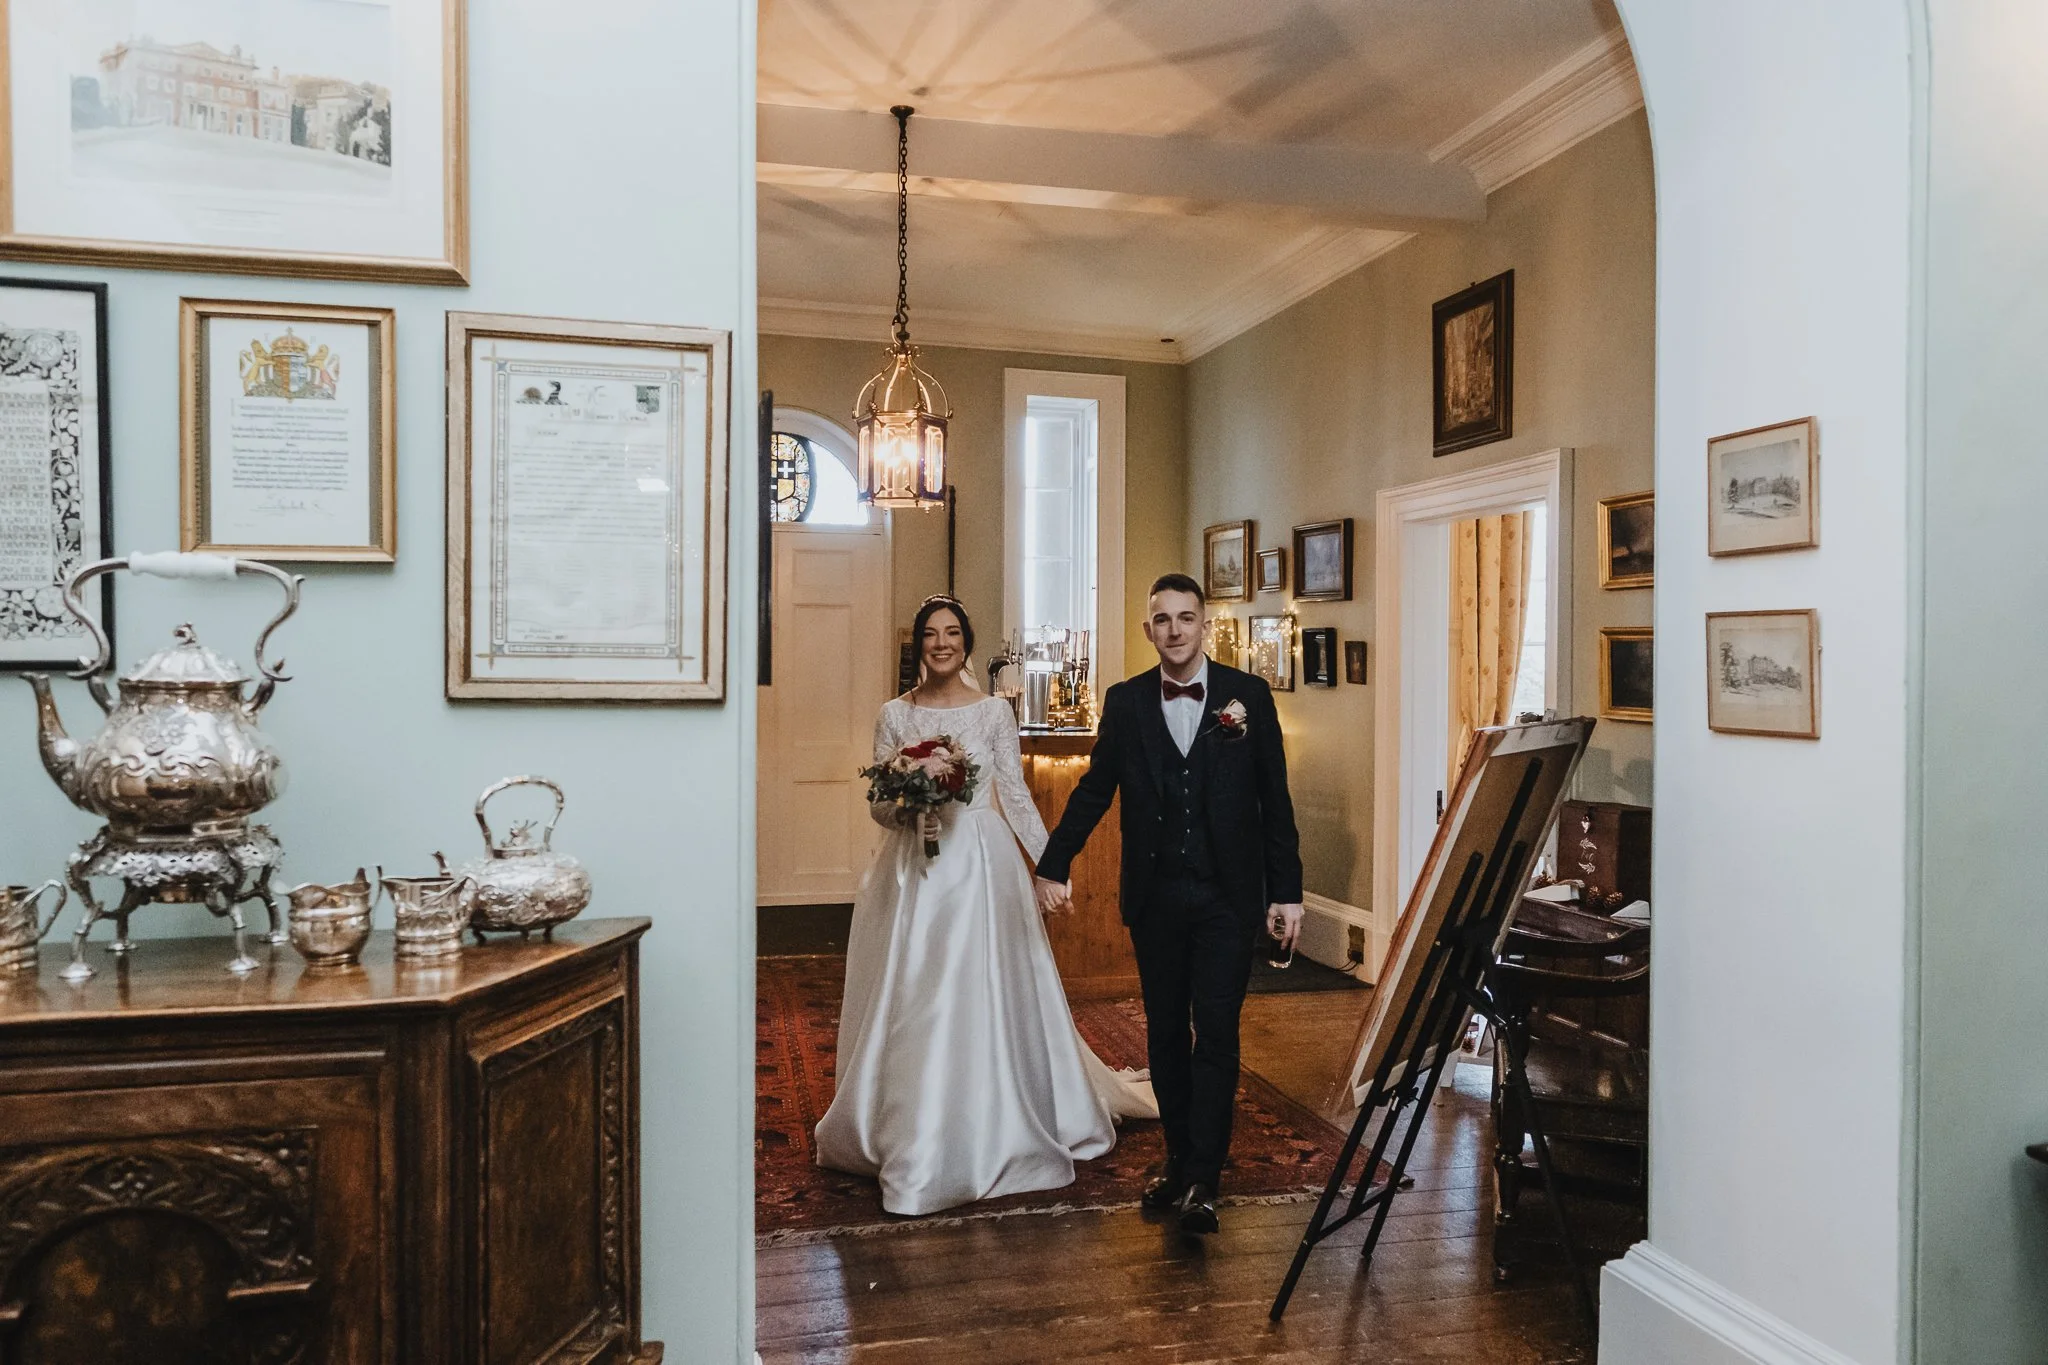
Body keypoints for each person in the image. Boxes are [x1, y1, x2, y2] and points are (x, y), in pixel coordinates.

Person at [815, 595, 1155, 1216]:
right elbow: (876, 805)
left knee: (982, 985)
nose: (940, 643)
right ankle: (906, 1122)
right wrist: (906, 806)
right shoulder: (893, 713)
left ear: (966, 642)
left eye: (952, 633)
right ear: (917, 644)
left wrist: (1052, 864)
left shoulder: (995, 711)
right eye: (929, 635)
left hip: (980, 862)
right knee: (914, 989)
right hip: (913, 868)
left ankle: (998, 1110)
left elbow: (1016, 793)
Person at [1034, 573, 1304, 1235]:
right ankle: (1178, 1161)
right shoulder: (1126, 703)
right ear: (1149, 628)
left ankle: (1205, 1178)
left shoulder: (1248, 697)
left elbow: (1275, 799)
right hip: (1155, 898)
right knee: (1164, 1035)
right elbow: (1097, 789)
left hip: (1226, 898)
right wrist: (1054, 859)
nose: (1176, 629)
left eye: (1187, 617)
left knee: (1215, 1031)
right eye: (1163, 618)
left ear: (1204, 626)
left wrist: (1288, 891)